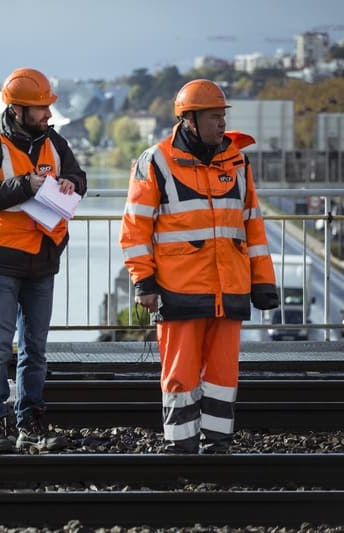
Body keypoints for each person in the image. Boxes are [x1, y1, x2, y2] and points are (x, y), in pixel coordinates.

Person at [119, 79, 279, 454]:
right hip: (180, 288)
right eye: (213, 117)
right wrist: (143, 280)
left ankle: (218, 443)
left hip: (231, 287)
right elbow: (135, 228)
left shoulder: (237, 160)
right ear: (189, 120)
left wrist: (263, 282)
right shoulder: (155, 161)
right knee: (181, 374)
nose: (221, 124)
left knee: (223, 375)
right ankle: (181, 446)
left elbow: (252, 224)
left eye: (223, 116)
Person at [0, 67, 88, 453]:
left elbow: (80, 179)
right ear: (18, 110)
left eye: (48, 108)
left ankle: (31, 424)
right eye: (40, 109)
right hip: (1, 261)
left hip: (41, 261)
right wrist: (24, 185)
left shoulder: (56, 143)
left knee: (35, 349)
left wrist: (71, 183)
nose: (48, 115)